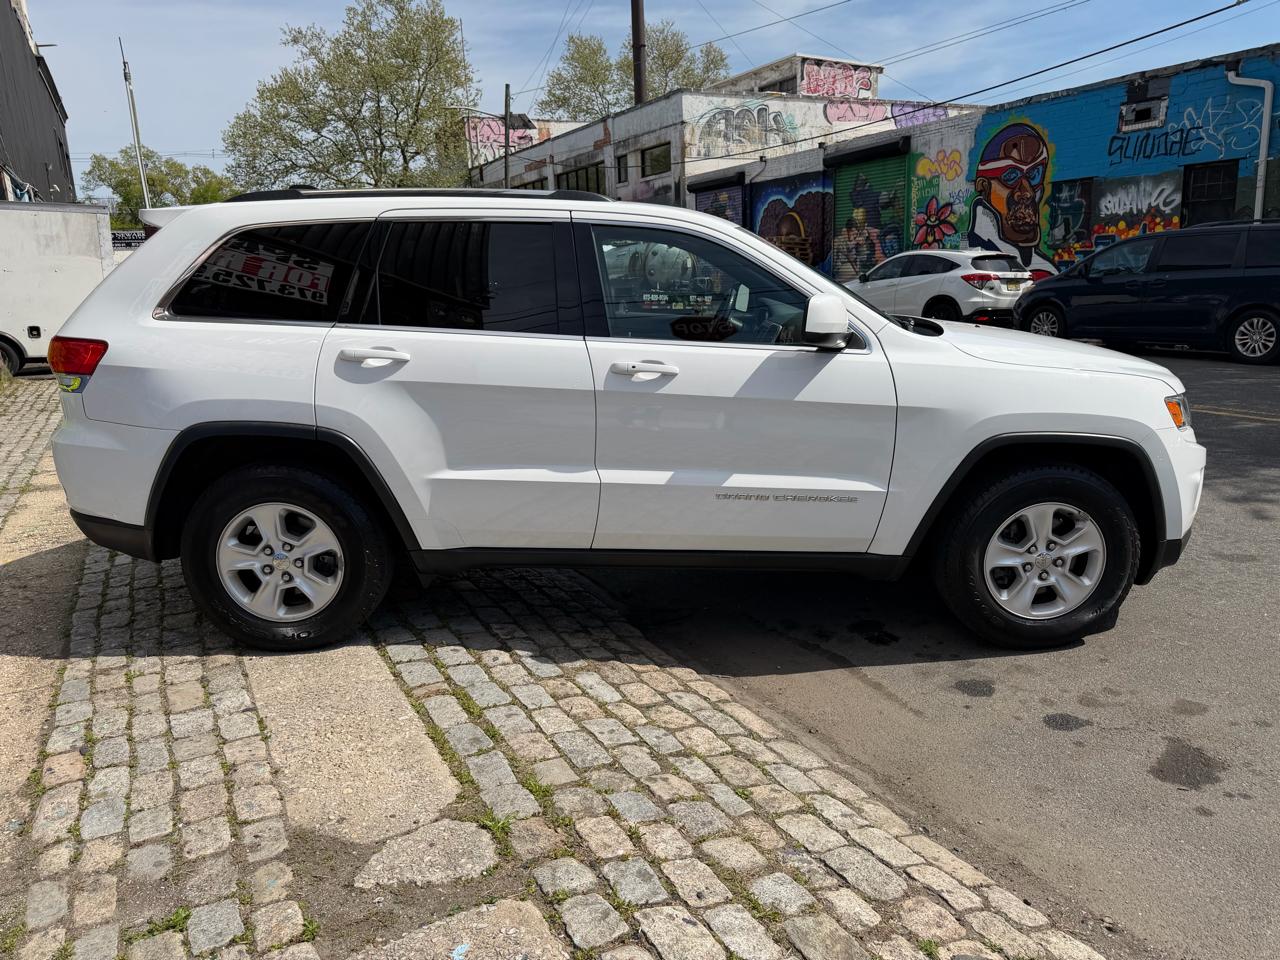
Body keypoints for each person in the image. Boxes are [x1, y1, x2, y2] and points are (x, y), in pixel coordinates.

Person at [969, 122, 1056, 275]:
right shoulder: (977, 260)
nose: (1025, 192)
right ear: (984, 186)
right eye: (1010, 176)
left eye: (1034, 175)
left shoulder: (1047, 271)